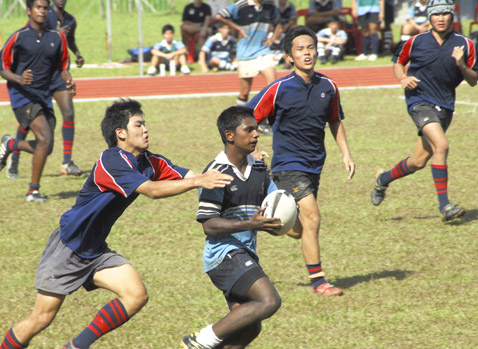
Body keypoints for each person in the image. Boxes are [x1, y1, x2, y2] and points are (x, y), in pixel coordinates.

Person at [0, 98, 233, 349]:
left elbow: (197, 175)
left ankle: (77, 346)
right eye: (138, 125)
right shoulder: (111, 161)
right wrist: (197, 183)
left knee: (135, 295)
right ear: (120, 133)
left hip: (95, 251)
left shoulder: (148, 161)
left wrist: (239, 160)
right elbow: (153, 190)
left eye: (144, 124)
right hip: (68, 248)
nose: (146, 130)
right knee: (41, 318)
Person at [247, 26, 355, 296]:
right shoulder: (279, 89)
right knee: (313, 217)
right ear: (289, 57)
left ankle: (264, 219)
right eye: (300, 49)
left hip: (314, 165)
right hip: (287, 166)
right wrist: (252, 150)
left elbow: (334, 121)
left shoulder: (328, 86)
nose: (307, 53)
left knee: (296, 229)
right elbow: (246, 119)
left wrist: (346, 153)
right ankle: (319, 282)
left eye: (310, 48)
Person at [181, 106, 283, 349]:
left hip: (245, 253)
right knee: (269, 301)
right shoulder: (216, 173)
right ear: (230, 135)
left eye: (256, 129)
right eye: (249, 130)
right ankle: (199, 340)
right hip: (223, 256)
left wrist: (285, 217)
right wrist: (251, 223)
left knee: (250, 327)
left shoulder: (258, 168)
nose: (256, 135)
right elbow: (209, 225)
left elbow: (275, 202)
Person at [371, 0, 478, 222]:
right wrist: (402, 77)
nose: (441, 18)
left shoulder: (465, 44)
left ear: (452, 16)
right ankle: (445, 206)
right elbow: (398, 62)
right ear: (429, 17)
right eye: (436, 14)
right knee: (442, 145)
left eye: (445, 14)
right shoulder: (416, 41)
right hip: (419, 101)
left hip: (445, 106)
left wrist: (461, 64)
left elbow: (473, 81)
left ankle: (383, 179)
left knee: (419, 161)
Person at [0, 0, 73, 202]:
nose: (42, 11)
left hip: (44, 95)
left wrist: (69, 81)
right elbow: (3, 68)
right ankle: (33, 191)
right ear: (29, 11)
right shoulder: (18, 37)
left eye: (45, 8)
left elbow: (61, 66)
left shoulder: (57, 38)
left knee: (46, 147)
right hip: (22, 95)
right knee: (44, 139)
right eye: (38, 7)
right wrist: (19, 79)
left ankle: (11, 144)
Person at [215, 0, 282, 135]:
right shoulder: (242, 4)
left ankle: (265, 121)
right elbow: (219, 16)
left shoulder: (269, 6)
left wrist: (273, 38)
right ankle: (239, 122)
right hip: (245, 54)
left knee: (273, 86)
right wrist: (238, 28)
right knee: (244, 92)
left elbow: (278, 24)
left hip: (263, 51)